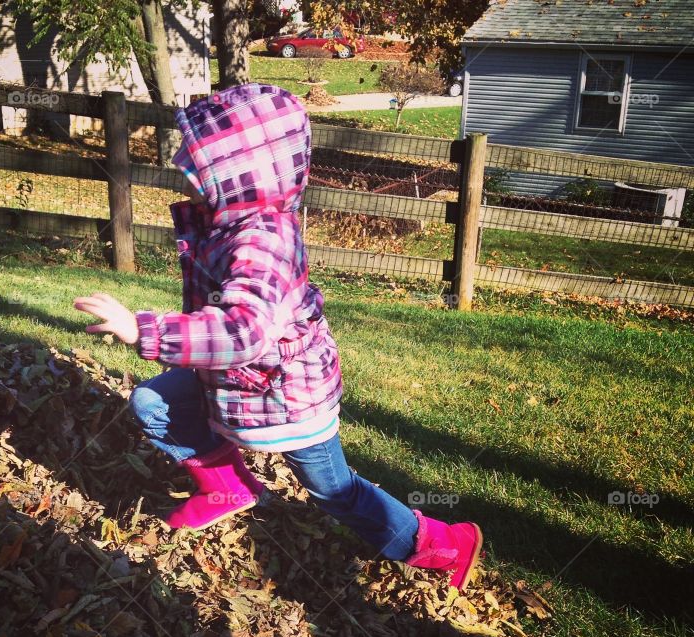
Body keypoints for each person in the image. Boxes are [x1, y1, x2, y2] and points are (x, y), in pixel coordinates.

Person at [74, 83, 483, 589]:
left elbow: (243, 331)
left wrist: (143, 329)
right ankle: (227, 489)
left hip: (287, 400)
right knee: (155, 402)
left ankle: (443, 546)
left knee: (336, 493)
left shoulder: (261, 240)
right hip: (237, 384)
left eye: (197, 169)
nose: (184, 175)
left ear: (241, 175)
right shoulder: (233, 222)